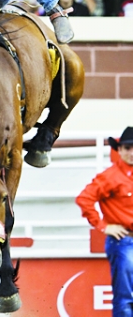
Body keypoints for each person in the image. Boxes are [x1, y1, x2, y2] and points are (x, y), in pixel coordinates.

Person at [76, 127, 133, 317]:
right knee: (125, 298)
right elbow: (85, 198)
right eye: (127, 147)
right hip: (124, 241)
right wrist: (103, 225)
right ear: (120, 149)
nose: (131, 152)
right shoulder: (110, 176)